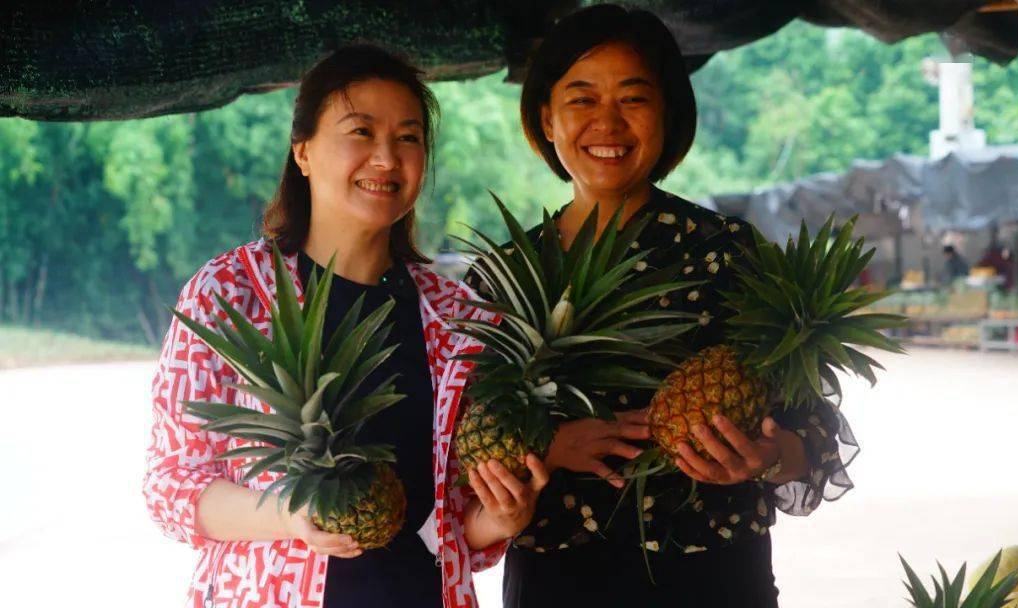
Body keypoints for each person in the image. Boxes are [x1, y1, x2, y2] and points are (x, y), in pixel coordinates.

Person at [472, 6, 859, 607]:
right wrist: (549, 446)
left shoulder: (726, 252)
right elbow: (458, 443)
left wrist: (765, 456)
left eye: (633, 98)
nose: (608, 122)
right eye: (581, 99)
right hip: (558, 579)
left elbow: (814, 428)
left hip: (715, 576)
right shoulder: (503, 274)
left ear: (668, 114)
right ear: (546, 118)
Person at [143, 44, 545, 608]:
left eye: (408, 137)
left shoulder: (458, 318)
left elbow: (451, 528)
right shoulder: (229, 295)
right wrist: (290, 514)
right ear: (302, 151)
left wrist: (501, 518)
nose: (386, 157)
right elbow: (172, 488)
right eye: (360, 131)